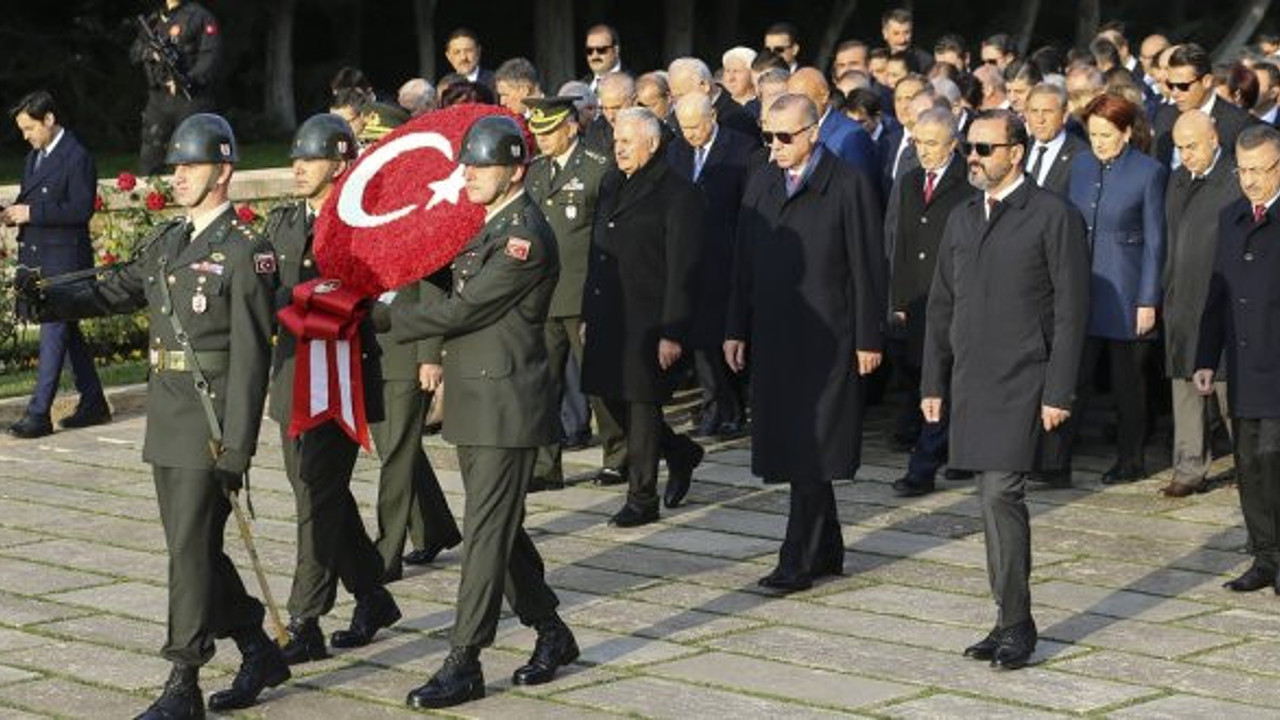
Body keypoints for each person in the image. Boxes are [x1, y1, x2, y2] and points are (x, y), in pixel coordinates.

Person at [22, 113, 289, 717]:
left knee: (188, 553)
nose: (180, 176)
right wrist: (48, 297)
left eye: (191, 165)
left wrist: (239, 447)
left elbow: (251, 359)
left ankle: (182, 680)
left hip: (210, 421)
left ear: (223, 171)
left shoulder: (245, 253)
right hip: (167, 416)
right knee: (191, 547)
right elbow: (113, 289)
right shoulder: (169, 241)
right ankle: (255, 644)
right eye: (176, 166)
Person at [372, 115, 579, 708]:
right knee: (501, 529)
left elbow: (465, 310)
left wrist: (382, 318)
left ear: (515, 171)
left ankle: (465, 659)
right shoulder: (485, 222)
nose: (468, 175)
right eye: (466, 165)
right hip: (477, 399)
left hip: (505, 405)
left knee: (486, 534)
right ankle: (552, 632)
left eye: (481, 166)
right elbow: (444, 273)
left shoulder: (524, 236)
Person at [923, 109, 1090, 670]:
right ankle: (1006, 617)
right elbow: (942, 305)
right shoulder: (963, 217)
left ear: (1015, 152)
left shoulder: (1052, 215)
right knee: (988, 501)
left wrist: (1059, 392)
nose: (973, 156)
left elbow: (1071, 311)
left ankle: (1018, 623)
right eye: (969, 147)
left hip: (1027, 378)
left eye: (984, 148)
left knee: (1001, 494)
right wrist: (933, 381)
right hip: (973, 379)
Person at [259, 114, 405, 667]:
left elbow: (387, 301)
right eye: (295, 157)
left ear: (341, 164)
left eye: (311, 158)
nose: (298, 167)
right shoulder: (282, 224)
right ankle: (371, 595)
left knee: (316, 500)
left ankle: (306, 619)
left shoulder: (363, 223)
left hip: (341, 383)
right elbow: (265, 290)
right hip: (292, 378)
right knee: (319, 493)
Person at [726, 93, 885, 590]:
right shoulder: (762, 178)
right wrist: (735, 326)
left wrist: (868, 337)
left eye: (785, 136)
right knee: (794, 445)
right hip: (775, 336)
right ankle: (828, 547)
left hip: (828, 339)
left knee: (812, 448)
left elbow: (867, 265)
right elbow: (742, 261)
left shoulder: (848, 183)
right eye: (767, 135)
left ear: (813, 133)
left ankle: (797, 556)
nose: (773, 146)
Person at [581, 108, 706, 526]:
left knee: (641, 405)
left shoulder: (678, 193)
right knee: (610, 399)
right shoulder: (613, 183)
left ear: (651, 145)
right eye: (615, 142)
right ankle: (680, 451)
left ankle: (642, 498)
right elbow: (596, 253)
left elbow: (683, 268)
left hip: (647, 321)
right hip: (607, 313)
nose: (618, 149)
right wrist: (587, 311)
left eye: (627, 142)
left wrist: (672, 331)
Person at [1061, 94, 1168, 485]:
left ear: (1126, 132)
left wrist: (1147, 299)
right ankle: (1056, 459)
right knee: (1074, 376)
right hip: (1084, 288)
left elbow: (1156, 241)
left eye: (1106, 134)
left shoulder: (1149, 172)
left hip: (1126, 292)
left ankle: (1131, 459)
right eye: (1092, 134)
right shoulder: (1082, 165)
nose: (1099, 142)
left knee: (1128, 384)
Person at [523, 97, 628, 490]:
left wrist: (602, 299)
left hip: (585, 295)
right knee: (542, 385)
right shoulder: (534, 173)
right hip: (543, 296)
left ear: (570, 127)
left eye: (549, 132)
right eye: (537, 133)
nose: (542, 139)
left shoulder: (600, 169)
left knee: (599, 383)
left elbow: (609, 239)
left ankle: (619, 456)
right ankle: (546, 466)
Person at [1195, 124, 1280, 594]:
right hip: (1243, 365)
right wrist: (1206, 356)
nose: (1249, 180)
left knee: (1273, 456)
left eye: (1259, 171)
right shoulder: (1231, 216)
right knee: (1247, 460)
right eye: (1242, 170)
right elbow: (1217, 290)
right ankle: (1264, 556)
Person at [4, 91, 109, 439]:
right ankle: (93, 402)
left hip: (66, 260)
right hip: (40, 258)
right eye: (22, 129)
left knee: (54, 330)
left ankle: (38, 414)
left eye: (29, 127)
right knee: (67, 332)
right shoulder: (35, 157)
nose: (26, 136)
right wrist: (14, 213)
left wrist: (31, 212)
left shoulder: (76, 156)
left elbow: (81, 210)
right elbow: (32, 199)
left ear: (49, 119)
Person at [884, 108, 975, 497]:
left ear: (953, 144)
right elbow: (902, 243)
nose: (923, 150)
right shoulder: (908, 181)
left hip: (955, 298)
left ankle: (923, 467)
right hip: (918, 301)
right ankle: (955, 453)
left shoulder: (969, 184)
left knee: (945, 382)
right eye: (918, 141)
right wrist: (900, 298)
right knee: (920, 375)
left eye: (933, 143)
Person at [669, 94, 758, 439]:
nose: (690, 134)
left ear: (713, 116)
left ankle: (734, 407)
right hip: (690, 257)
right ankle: (715, 407)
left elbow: (749, 205)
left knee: (728, 337)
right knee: (702, 341)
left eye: (696, 126)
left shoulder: (741, 149)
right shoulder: (676, 149)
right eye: (684, 127)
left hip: (728, 255)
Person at [1160, 111, 1238, 497]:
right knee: (1184, 385)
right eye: (1179, 147)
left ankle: (1253, 465)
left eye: (1192, 146)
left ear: (1214, 138)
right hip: (1181, 299)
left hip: (1220, 299)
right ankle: (1189, 467)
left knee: (1228, 392)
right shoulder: (1177, 180)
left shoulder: (1235, 180)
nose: (1185, 155)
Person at [130, 0, 221, 175]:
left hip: (190, 99)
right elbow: (135, 52)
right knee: (151, 158)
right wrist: (150, 53)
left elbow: (210, 58)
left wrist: (187, 80)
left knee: (195, 157)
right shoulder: (153, 20)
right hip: (159, 100)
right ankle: (154, 198)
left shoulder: (200, 17)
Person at [1154, 43, 1255, 165]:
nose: (1175, 93)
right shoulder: (1164, 117)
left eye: (1183, 86)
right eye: (1171, 85)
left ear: (1207, 81)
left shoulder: (1239, 124)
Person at [787, 67, 880, 181]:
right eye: (791, 98)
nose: (796, 105)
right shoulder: (792, 131)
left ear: (824, 96)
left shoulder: (852, 135)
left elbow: (860, 188)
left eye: (802, 97)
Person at [668, 57, 758, 139]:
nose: (678, 102)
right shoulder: (679, 114)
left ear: (704, 86)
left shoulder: (737, 119)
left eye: (682, 95)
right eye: (674, 97)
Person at [1025, 83, 1090, 195]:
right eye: (1034, 111)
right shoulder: (1020, 148)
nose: (1040, 120)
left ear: (1064, 115)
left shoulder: (1082, 154)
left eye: (1047, 112)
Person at [881, 8, 934, 73]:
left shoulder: (925, 61)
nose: (902, 40)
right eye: (896, 33)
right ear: (885, 34)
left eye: (906, 33)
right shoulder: (877, 61)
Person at [583, 24, 624, 92]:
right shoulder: (581, 86)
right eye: (589, 51)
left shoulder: (634, 84)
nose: (595, 55)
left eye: (601, 50)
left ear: (616, 50)